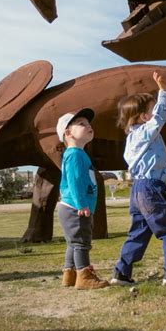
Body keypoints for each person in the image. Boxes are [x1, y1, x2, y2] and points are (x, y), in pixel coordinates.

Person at [110, 72, 166, 286]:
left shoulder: (130, 139)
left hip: (137, 190)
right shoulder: (146, 132)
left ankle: (121, 272)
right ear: (143, 117)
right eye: (151, 108)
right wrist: (164, 91)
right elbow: (160, 117)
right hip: (151, 187)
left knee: (138, 232)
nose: (154, 110)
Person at [56, 109, 109, 290]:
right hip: (75, 207)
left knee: (74, 242)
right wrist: (81, 204)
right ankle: (84, 277)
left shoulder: (77, 153)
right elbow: (74, 181)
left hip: (71, 206)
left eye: (89, 123)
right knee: (81, 242)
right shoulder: (75, 154)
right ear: (68, 133)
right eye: (81, 124)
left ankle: (69, 275)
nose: (88, 126)